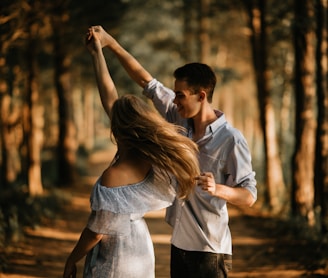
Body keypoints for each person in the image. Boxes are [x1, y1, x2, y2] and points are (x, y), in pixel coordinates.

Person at [91, 26, 258, 278]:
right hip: (179, 243)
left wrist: (218, 189)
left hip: (210, 249)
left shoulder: (231, 139)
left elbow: (249, 196)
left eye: (180, 95)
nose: (174, 101)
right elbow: (145, 80)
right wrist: (110, 44)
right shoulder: (177, 118)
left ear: (201, 96)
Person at [63, 28, 200, 278]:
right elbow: (110, 97)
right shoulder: (155, 161)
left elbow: (97, 231)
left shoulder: (113, 175)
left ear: (118, 127)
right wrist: (97, 54)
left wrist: (72, 259)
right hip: (140, 248)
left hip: (117, 257)